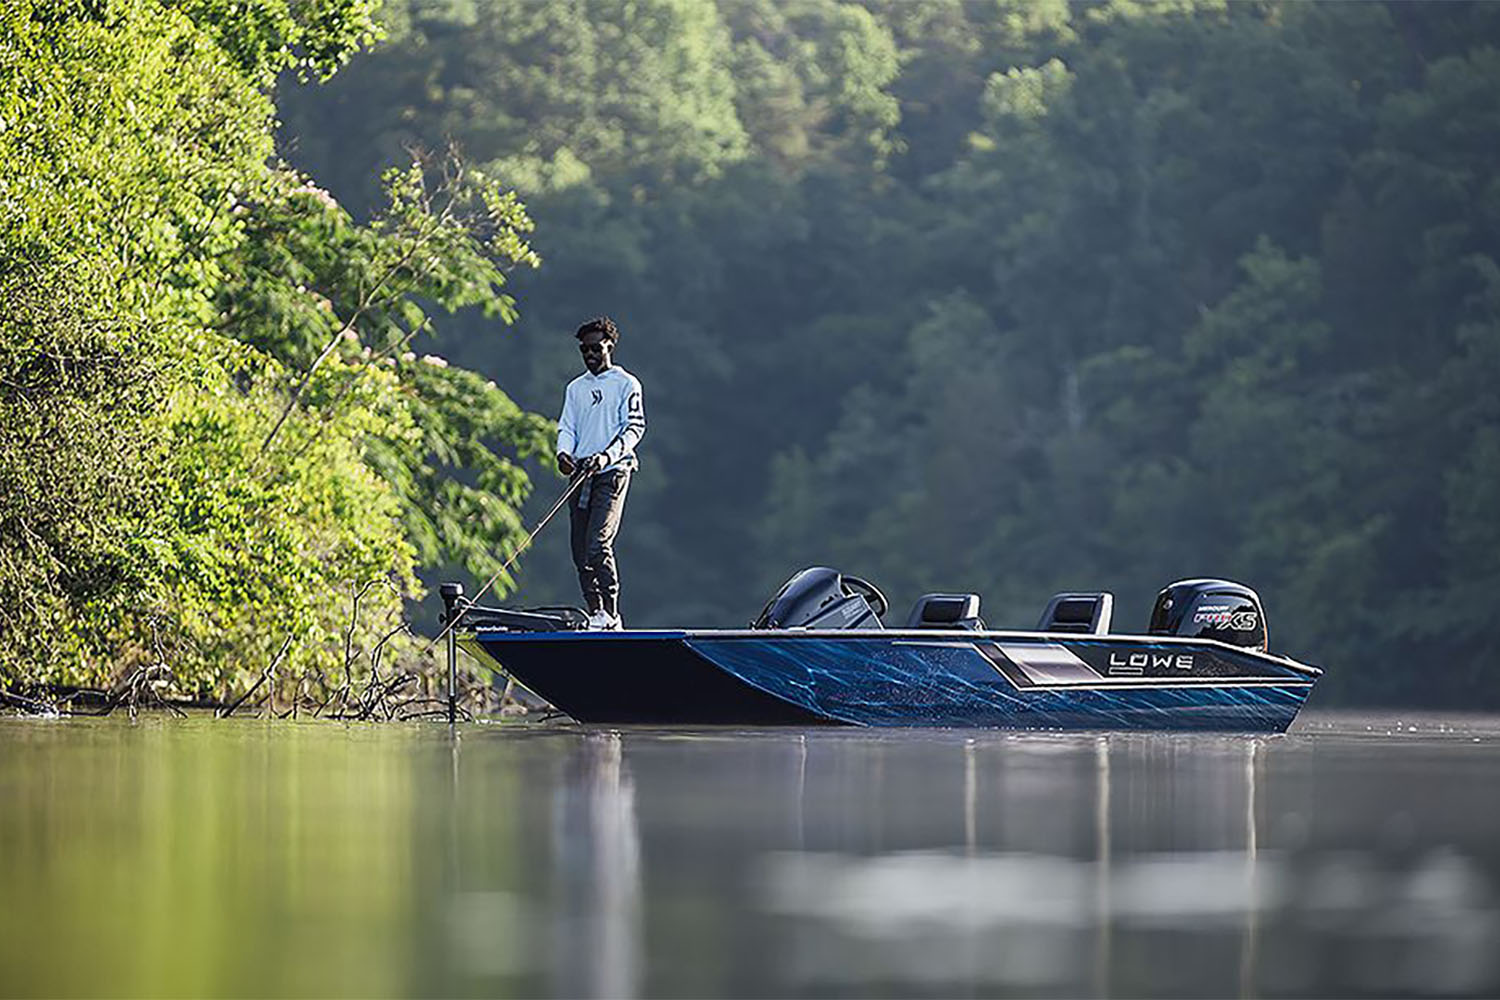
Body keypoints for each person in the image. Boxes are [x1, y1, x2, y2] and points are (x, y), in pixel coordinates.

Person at [556, 316, 646, 629]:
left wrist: (606, 456)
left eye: (596, 348)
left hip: (613, 472)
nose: (590, 355)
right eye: (584, 350)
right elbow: (567, 426)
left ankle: (612, 614)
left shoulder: (626, 384)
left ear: (610, 345)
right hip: (580, 476)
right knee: (580, 551)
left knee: (598, 543)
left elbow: (634, 428)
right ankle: (595, 613)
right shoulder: (576, 388)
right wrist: (564, 454)